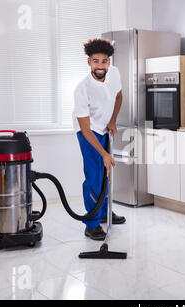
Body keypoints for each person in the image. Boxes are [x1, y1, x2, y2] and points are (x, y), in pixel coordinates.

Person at [73, 38, 126, 240]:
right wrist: (103, 153)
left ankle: (104, 213)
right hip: (88, 131)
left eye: (104, 61)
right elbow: (85, 130)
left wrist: (113, 120)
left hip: (104, 128)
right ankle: (92, 224)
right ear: (89, 63)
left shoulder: (114, 74)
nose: (100, 66)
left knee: (106, 174)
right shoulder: (82, 90)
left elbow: (119, 96)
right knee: (95, 175)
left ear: (109, 62)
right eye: (96, 61)